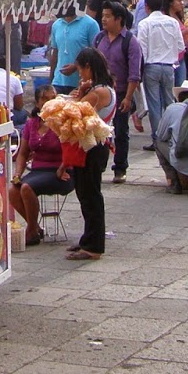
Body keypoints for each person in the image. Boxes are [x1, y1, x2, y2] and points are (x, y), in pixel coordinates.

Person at [65, 47, 116, 261]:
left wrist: (79, 93)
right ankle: (88, 238)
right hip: (90, 146)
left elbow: (76, 111)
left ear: (89, 67)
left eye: (81, 70)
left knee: (90, 195)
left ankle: (94, 246)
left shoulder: (100, 92)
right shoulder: (98, 88)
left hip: (94, 147)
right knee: (85, 193)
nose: (80, 74)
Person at [13, 84, 74, 245]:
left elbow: (72, 150)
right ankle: (35, 227)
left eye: (53, 98)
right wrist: (17, 174)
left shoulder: (64, 122)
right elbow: (22, 153)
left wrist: (62, 168)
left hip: (61, 171)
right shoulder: (32, 124)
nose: (49, 102)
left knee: (26, 188)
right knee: (12, 190)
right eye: (45, 99)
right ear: (37, 103)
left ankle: (31, 231)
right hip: (38, 170)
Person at [93, 2, 141, 183]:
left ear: (119, 19)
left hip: (121, 93)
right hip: (100, 93)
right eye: (103, 16)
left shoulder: (130, 41)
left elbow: (134, 74)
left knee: (121, 132)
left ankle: (120, 168)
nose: (103, 19)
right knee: (97, 131)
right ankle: (98, 166)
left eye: (107, 16)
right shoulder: (99, 38)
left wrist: (128, 98)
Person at [136, 0, 184, 151]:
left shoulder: (144, 24)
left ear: (147, 7)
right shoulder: (173, 22)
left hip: (151, 67)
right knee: (170, 102)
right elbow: (180, 46)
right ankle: (173, 135)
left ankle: (158, 139)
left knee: (154, 105)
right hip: (169, 66)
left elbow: (142, 50)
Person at [47, 0, 99, 95]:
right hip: (58, 82)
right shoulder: (56, 25)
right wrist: (51, 79)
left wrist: (76, 66)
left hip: (82, 83)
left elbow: (96, 54)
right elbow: (55, 53)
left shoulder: (91, 24)